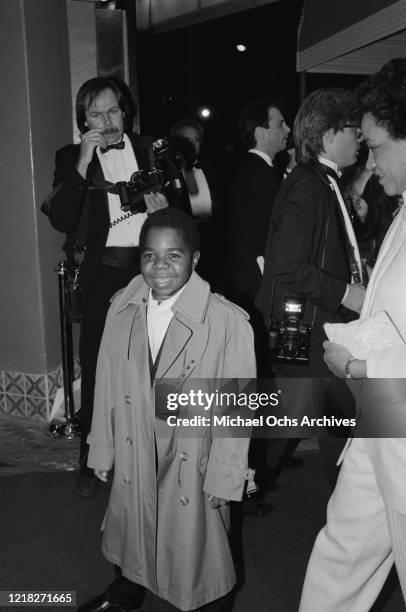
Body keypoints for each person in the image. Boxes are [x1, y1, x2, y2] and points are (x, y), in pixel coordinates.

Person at [77, 208, 256, 612]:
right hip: (135, 443)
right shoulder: (122, 308)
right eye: (149, 255)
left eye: (174, 255)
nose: (160, 266)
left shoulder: (226, 322)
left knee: (202, 549)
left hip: (192, 452)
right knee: (132, 525)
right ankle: (126, 592)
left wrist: (225, 477)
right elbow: (105, 382)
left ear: (194, 258)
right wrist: (101, 448)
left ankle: (209, 602)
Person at [41, 77, 189, 498]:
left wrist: (168, 210)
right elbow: (63, 219)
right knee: (99, 364)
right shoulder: (71, 157)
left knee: (158, 360)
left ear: (126, 112)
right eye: (96, 114)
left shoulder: (149, 149)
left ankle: (157, 451)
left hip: (152, 271)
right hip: (103, 273)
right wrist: (82, 164)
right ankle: (92, 461)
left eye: (114, 111)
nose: (107, 121)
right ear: (83, 121)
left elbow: (183, 214)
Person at [299, 58, 406, 612]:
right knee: (340, 555)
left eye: (377, 147)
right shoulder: (403, 209)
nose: (369, 160)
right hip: (381, 424)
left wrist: (365, 367)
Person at [256, 88, 366, 488]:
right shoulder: (309, 185)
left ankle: (241, 484)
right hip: (298, 323)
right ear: (328, 134)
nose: (360, 138)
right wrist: (348, 293)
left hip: (301, 321)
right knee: (317, 413)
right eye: (353, 129)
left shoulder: (321, 180)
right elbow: (287, 265)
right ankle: (237, 482)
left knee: (303, 413)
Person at [169, 118, 223, 290]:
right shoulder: (170, 174)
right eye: (187, 140)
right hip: (185, 242)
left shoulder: (210, 169)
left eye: (197, 140)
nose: (193, 145)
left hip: (212, 241)